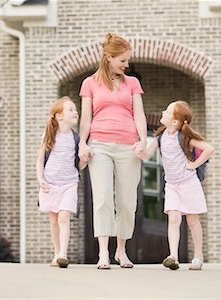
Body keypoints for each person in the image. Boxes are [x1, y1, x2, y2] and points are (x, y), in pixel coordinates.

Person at [78, 33, 147, 269]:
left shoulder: (132, 84)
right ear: (108, 57)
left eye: (127, 61)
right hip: (100, 146)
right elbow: (86, 117)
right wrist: (82, 143)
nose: (126, 65)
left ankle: (121, 251)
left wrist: (143, 140)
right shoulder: (89, 83)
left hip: (129, 146)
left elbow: (138, 113)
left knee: (127, 201)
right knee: (103, 198)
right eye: (122, 60)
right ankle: (103, 253)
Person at [135, 100, 214, 271]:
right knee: (173, 218)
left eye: (167, 111)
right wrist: (139, 150)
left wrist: (193, 165)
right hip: (171, 185)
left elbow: (208, 148)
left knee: (192, 220)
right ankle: (173, 256)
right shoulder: (160, 137)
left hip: (188, 184)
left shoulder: (184, 137)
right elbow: (146, 154)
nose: (163, 112)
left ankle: (198, 256)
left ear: (175, 121)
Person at [36, 96, 87, 268]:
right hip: (50, 184)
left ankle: (63, 255)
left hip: (69, 184)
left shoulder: (76, 138)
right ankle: (56, 253)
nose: (75, 112)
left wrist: (84, 161)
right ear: (59, 116)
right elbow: (40, 159)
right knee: (53, 220)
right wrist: (40, 178)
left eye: (75, 109)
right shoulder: (49, 135)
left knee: (64, 216)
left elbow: (78, 166)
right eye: (70, 109)